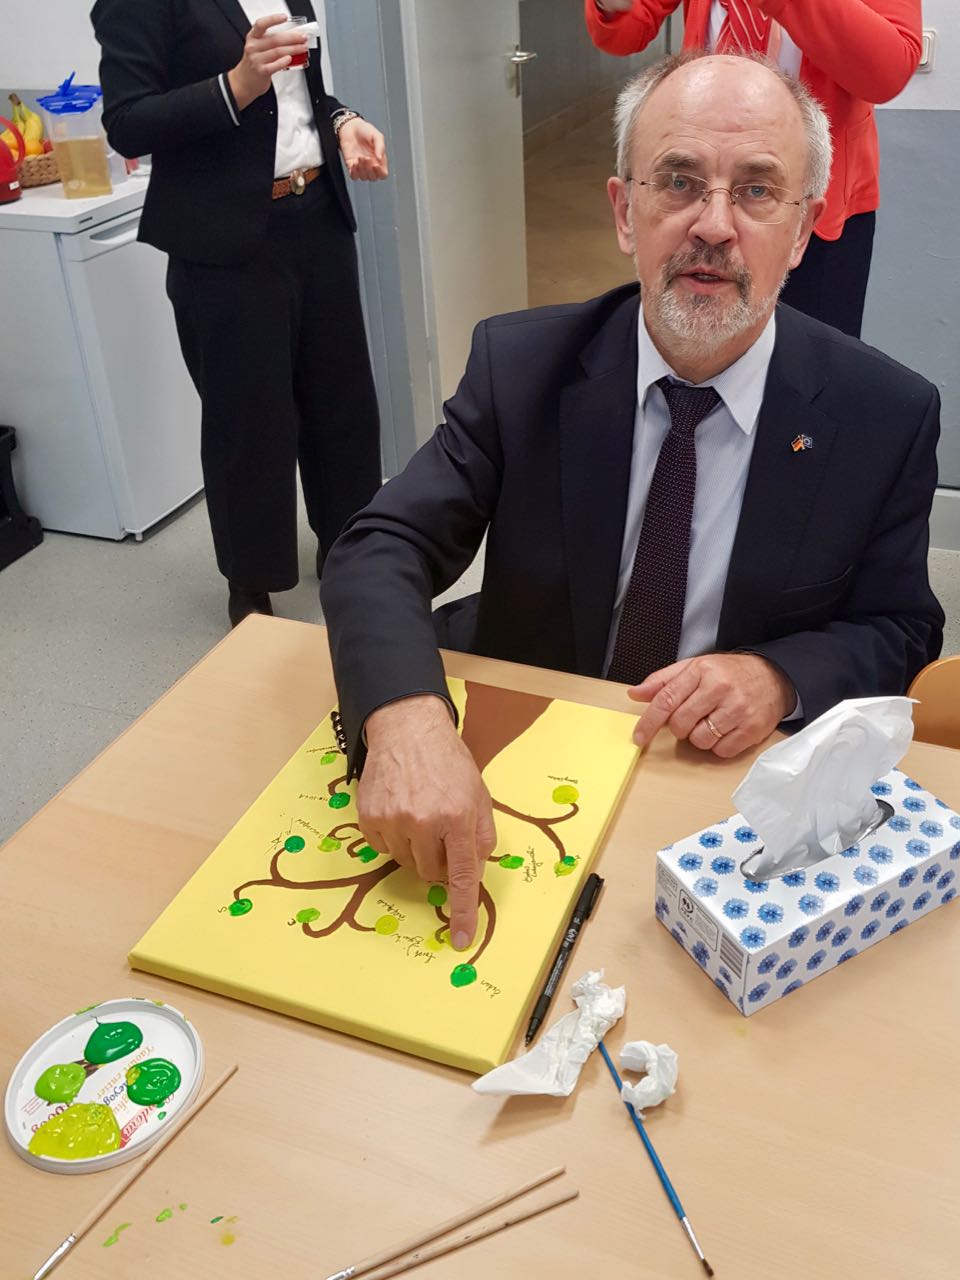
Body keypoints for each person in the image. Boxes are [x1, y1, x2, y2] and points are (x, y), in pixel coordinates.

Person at [320, 52, 943, 954]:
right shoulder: (523, 365)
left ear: (805, 231)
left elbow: (901, 628)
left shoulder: (883, 413)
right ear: (625, 211)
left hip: (715, 800)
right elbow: (381, 544)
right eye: (679, 183)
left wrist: (780, 676)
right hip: (520, 769)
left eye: (759, 192)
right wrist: (407, 717)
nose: (715, 227)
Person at [91, 2, 386, 627]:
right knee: (249, 422)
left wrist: (342, 121)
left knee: (343, 406)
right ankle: (251, 581)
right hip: (223, 243)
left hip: (319, 217)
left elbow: (302, 94)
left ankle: (353, 552)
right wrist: (236, 85)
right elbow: (127, 122)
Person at [584, 0, 922, 338]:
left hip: (817, 202)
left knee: (810, 361)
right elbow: (626, 31)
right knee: (696, 339)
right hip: (701, 180)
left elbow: (886, 71)